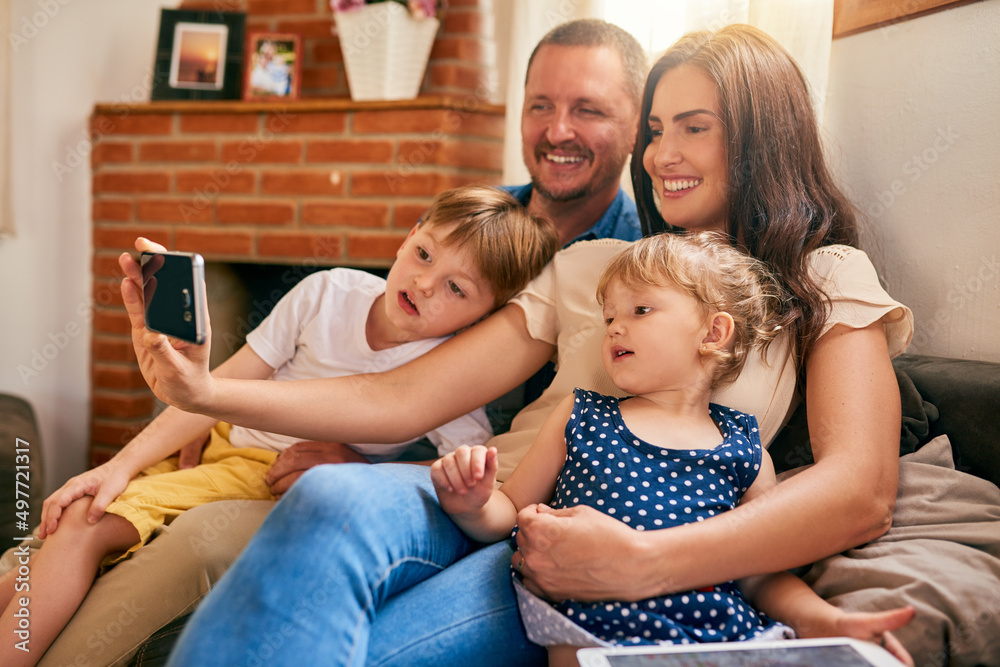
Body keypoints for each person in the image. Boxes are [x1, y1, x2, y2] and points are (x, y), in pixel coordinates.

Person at [128, 24, 923, 667]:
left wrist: (643, 562)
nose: (659, 155)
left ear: (760, 136)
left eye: (693, 127)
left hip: (578, 556)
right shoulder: (590, 264)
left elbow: (861, 488)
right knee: (331, 496)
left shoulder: (824, 276)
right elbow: (402, 396)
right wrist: (207, 394)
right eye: (654, 130)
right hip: (473, 492)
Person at [2, 19, 647, 667]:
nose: (558, 129)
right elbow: (356, 366)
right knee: (60, 534)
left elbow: (441, 429)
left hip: (472, 499)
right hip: (272, 450)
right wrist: (207, 407)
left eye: (587, 109)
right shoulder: (472, 223)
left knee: (139, 533)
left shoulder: (637, 271)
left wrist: (362, 467)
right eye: (541, 105)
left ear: (635, 121)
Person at [0, 185, 558, 667]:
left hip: (260, 477)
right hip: (212, 446)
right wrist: (119, 464)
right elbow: (218, 391)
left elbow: (464, 470)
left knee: (85, 522)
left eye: (458, 289)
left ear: (484, 317)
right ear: (408, 234)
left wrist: (363, 465)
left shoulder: (451, 380)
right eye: (424, 254)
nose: (427, 283)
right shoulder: (327, 293)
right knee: (31, 555)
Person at [431, 233, 914, 665]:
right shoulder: (582, 416)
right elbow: (512, 509)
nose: (615, 327)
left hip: (715, 638)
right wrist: (472, 503)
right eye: (609, 317)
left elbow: (759, 574)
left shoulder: (745, 448)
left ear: (713, 333)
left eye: (640, 310)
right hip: (589, 635)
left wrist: (825, 621)